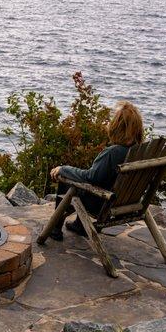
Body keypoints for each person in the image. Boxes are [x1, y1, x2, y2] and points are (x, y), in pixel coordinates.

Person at [48, 100, 144, 241]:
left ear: (116, 127)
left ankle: (54, 229)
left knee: (66, 181)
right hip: (129, 202)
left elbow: (90, 177)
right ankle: (80, 226)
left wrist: (63, 169)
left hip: (102, 204)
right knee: (93, 182)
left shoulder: (113, 153)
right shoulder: (141, 151)